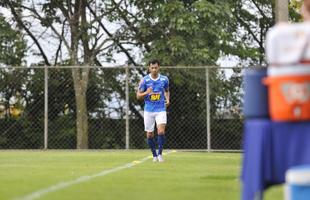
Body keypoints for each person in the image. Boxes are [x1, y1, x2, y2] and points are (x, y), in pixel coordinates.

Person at [136, 59, 170, 162]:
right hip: (149, 110)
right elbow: (138, 96)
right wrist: (146, 92)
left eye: (156, 67)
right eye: (152, 68)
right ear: (149, 68)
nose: (154, 69)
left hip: (160, 109)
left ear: (159, 68)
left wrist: (167, 99)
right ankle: (154, 155)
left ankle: (160, 154)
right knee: (150, 134)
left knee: (161, 131)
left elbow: (167, 91)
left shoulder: (164, 79)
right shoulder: (144, 80)